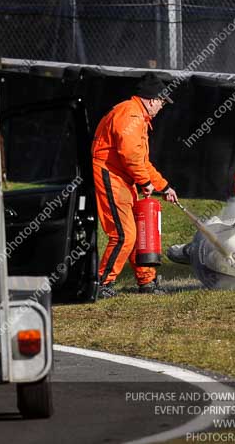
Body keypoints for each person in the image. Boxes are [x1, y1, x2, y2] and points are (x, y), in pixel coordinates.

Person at [91, 73, 178, 298]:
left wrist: (164, 186)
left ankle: (146, 281)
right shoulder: (131, 114)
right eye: (161, 102)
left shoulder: (138, 115)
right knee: (124, 234)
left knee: (139, 232)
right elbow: (129, 155)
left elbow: (141, 161)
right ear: (151, 99)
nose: (161, 107)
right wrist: (145, 182)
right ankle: (101, 283)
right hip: (111, 175)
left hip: (123, 177)